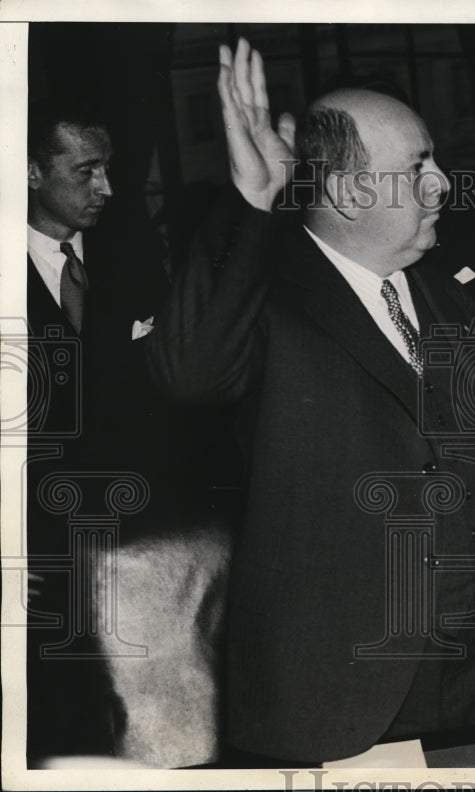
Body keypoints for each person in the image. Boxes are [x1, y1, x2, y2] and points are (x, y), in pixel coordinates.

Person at [147, 39, 475, 764]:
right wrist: (250, 199)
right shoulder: (269, 300)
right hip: (345, 695)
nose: (443, 185)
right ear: (345, 192)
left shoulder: (448, 292)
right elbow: (188, 374)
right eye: (416, 168)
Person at [25, 100, 237, 763]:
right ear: (31, 172)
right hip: (43, 558)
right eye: (86, 170)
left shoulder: (134, 257)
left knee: (164, 729)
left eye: (109, 169)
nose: (107, 189)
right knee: (66, 727)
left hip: (149, 553)